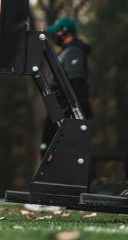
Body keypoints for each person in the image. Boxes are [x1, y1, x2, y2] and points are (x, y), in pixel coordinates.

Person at [38, 17, 91, 154]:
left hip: (66, 118)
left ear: (65, 32)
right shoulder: (66, 52)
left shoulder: (73, 52)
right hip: (59, 115)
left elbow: (77, 86)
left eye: (57, 32)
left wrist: (75, 120)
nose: (55, 36)